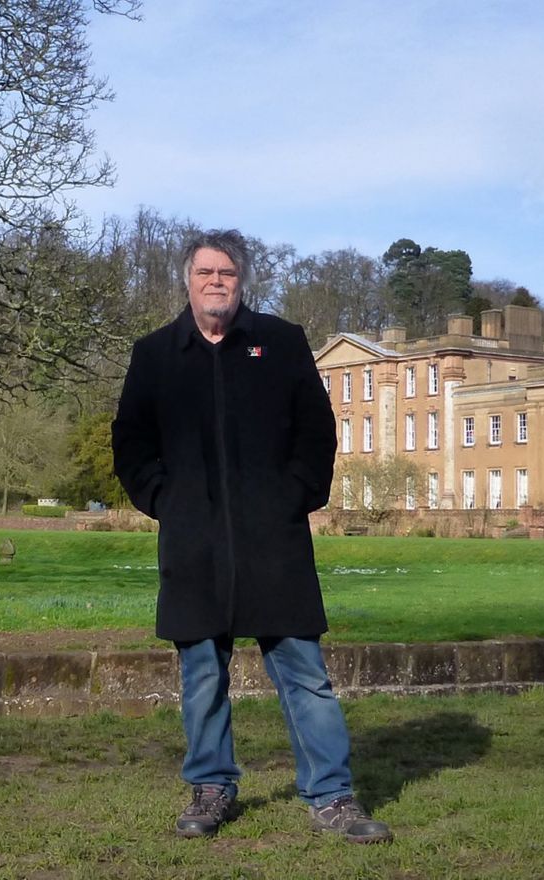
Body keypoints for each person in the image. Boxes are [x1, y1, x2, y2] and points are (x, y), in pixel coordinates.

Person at [112, 229, 392, 844]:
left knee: (305, 674)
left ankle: (333, 795)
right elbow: (131, 442)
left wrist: (294, 497)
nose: (217, 282)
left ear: (242, 282)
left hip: (275, 542)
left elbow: (317, 433)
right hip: (194, 544)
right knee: (202, 676)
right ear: (188, 281)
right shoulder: (155, 354)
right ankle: (212, 787)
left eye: (228, 273)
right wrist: (166, 500)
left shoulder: (283, 342)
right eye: (206, 272)